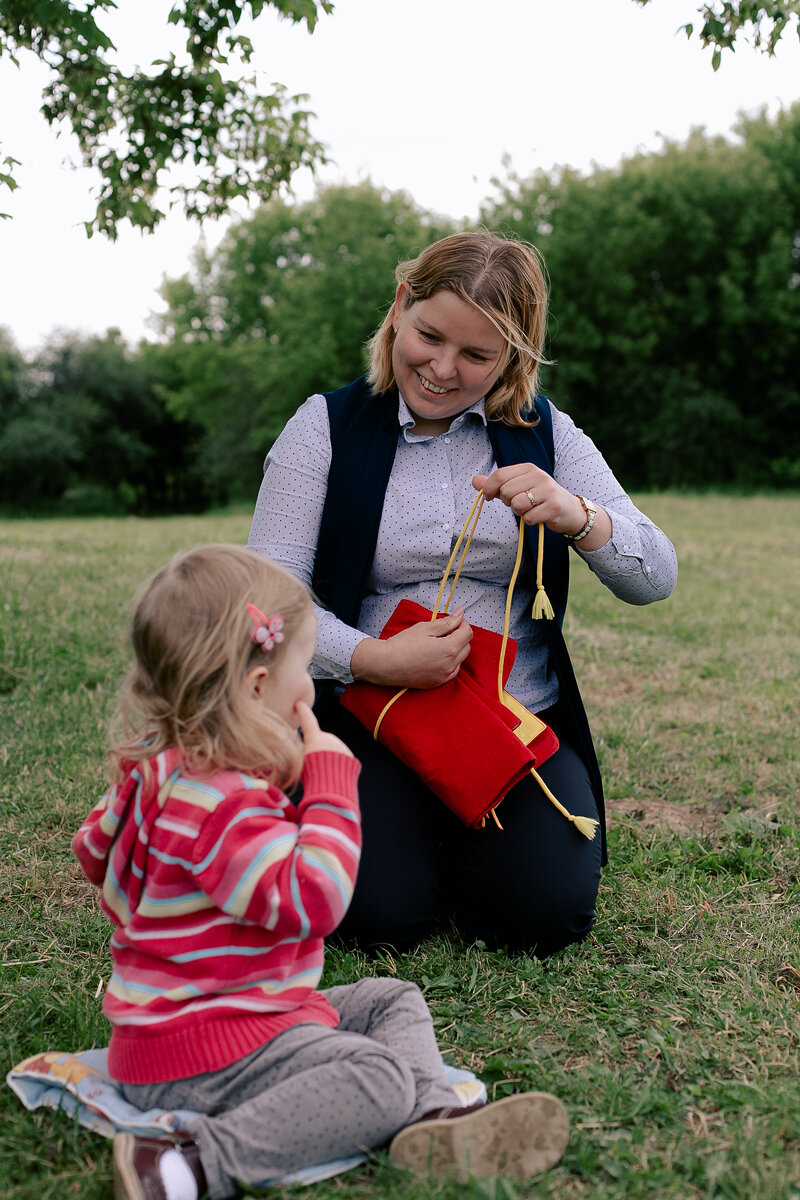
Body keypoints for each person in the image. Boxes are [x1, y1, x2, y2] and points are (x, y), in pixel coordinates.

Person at [73, 543, 570, 1200]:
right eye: (303, 669)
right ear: (256, 690)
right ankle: (186, 1165)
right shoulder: (224, 803)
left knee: (390, 1000)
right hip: (201, 1054)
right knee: (374, 1077)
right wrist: (331, 785)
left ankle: (434, 1121)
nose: (310, 688)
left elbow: (94, 852)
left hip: (203, 1023)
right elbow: (316, 901)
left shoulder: (159, 769)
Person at [248, 230, 678, 957]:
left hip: (508, 726)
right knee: (378, 920)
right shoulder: (322, 428)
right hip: (367, 718)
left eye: (476, 355)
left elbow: (655, 576)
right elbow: (266, 605)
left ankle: (456, 842)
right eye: (429, 336)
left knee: (539, 921)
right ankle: (412, 840)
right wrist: (376, 658)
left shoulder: (551, 436)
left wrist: (578, 515)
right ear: (399, 307)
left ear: (514, 356)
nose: (442, 369)